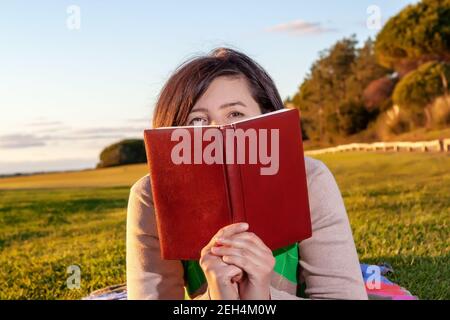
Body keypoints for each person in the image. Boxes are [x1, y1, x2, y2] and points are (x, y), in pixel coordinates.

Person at [126, 47, 368, 300]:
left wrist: (263, 296)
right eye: (197, 120)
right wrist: (216, 299)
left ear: (266, 115)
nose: (218, 131)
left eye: (235, 114)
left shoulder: (311, 178)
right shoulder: (150, 194)